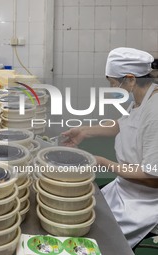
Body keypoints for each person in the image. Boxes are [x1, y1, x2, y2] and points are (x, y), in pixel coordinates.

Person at [62, 47, 158, 248]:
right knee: (87, 211)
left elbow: (152, 178)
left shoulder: (155, 112)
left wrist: (103, 162)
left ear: (130, 79)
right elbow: (124, 125)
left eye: (114, 83)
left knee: (94, 240)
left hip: (144, 203)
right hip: (125, 187)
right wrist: (85, 131)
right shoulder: (143, 99)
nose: (113, 87)